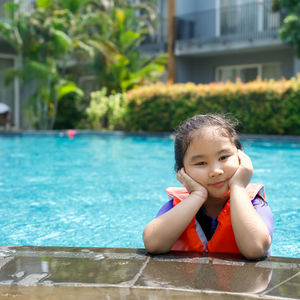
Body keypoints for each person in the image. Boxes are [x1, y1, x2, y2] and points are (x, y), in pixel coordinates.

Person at [143, 114, 273, 259]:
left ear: (241, 157)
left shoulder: (255, 204)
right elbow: (153, 244)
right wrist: (197, 195)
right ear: (182, 171)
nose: (215, 171)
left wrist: (238, 187)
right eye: (201, 163)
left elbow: (255, 249)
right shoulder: (176, 206)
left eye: (223, 157)